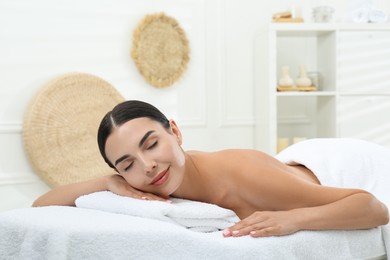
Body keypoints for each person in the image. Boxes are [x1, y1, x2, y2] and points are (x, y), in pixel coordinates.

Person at [32, 100, 389, 238]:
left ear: (175, 131)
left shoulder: (244, 176)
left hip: (348, 167)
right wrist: (107, 181)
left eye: (151, 144)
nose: (148, 165)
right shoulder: (133, 181)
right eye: (127, 164)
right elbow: (40, 207)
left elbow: (372, 207)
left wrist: (293, 219)